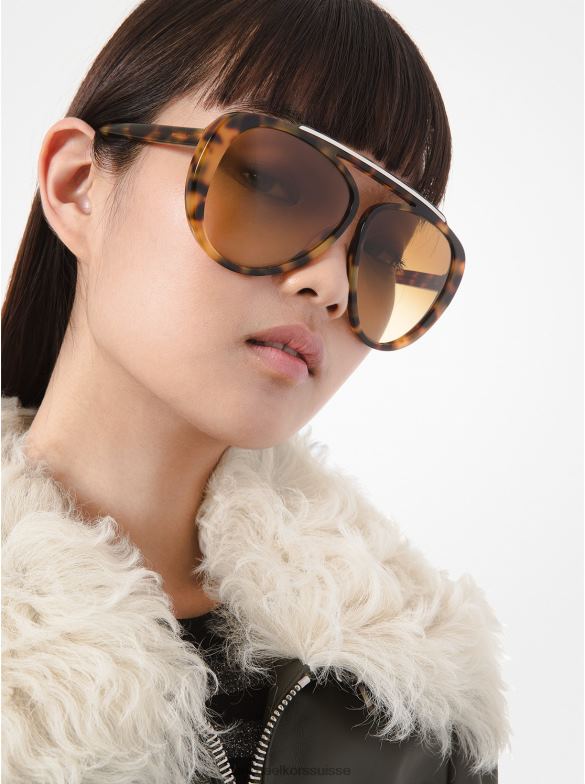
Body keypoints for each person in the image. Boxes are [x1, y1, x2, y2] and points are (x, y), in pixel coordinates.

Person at [1, 1, 511, 782]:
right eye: (271, 185)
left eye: (385, 253)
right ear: (77, 187)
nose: (331, 283)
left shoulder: (416, 703)